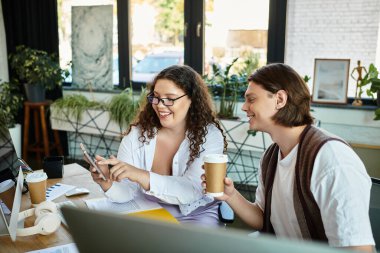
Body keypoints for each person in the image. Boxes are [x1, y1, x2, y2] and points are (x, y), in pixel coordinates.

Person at [202, 63, 375, 251]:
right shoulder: (271, 156)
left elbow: (359, 249)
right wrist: (230, 196)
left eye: (251, 99)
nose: (244, 107)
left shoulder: (332, 160)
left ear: (280, 99)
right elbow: (263, 219)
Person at [89, 65, 227, 226]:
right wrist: (107, 182)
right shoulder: (137, 134)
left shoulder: (209, 136)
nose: (160, 105)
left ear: (192, 99)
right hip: (149, 209)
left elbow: (192, 191)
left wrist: (140, 175)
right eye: (156, 97)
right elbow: (127, 192)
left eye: (170, 98)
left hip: (196, 213)